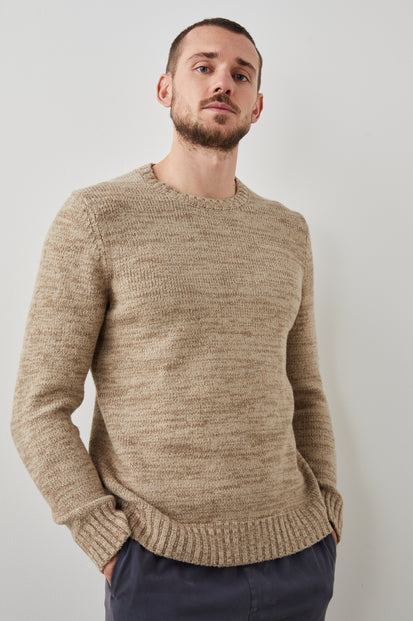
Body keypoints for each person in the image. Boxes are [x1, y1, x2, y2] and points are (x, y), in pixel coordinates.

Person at [10, 16, 343, 621]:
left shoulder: (287, 232)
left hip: (296, 557)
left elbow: (306, 390)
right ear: (165, 88)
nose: (223, 82)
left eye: (241, 74)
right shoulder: (97, 218)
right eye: (204, 66)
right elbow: (39, 406)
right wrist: (107, 543)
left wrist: (327, 513)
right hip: (158, 564)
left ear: (257, 105)